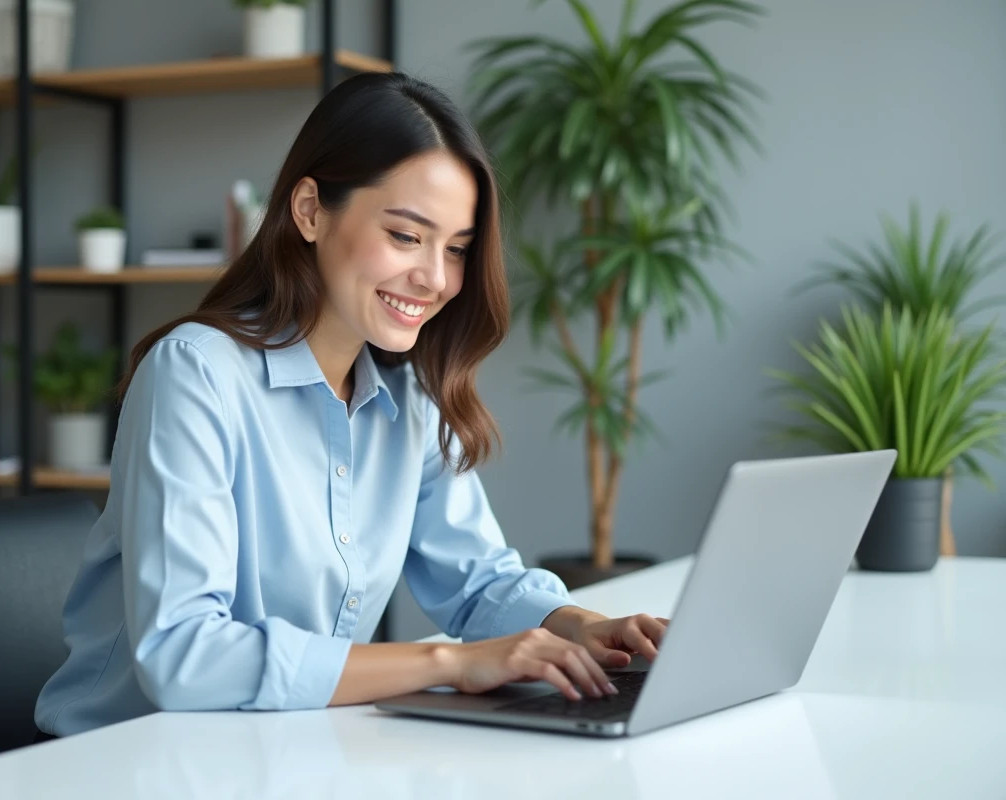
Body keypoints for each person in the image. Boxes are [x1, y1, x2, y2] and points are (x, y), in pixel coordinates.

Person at [33, 71, 669, 739]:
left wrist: (589, 630)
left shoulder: (408, 396)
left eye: (456, 249)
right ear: (310, 211)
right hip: (127, 762)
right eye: (405, 236)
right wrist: (448, 663)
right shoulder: (196, 373)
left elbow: (477, 583)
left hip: (280, 752)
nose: (435, 278)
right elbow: (184, 656)